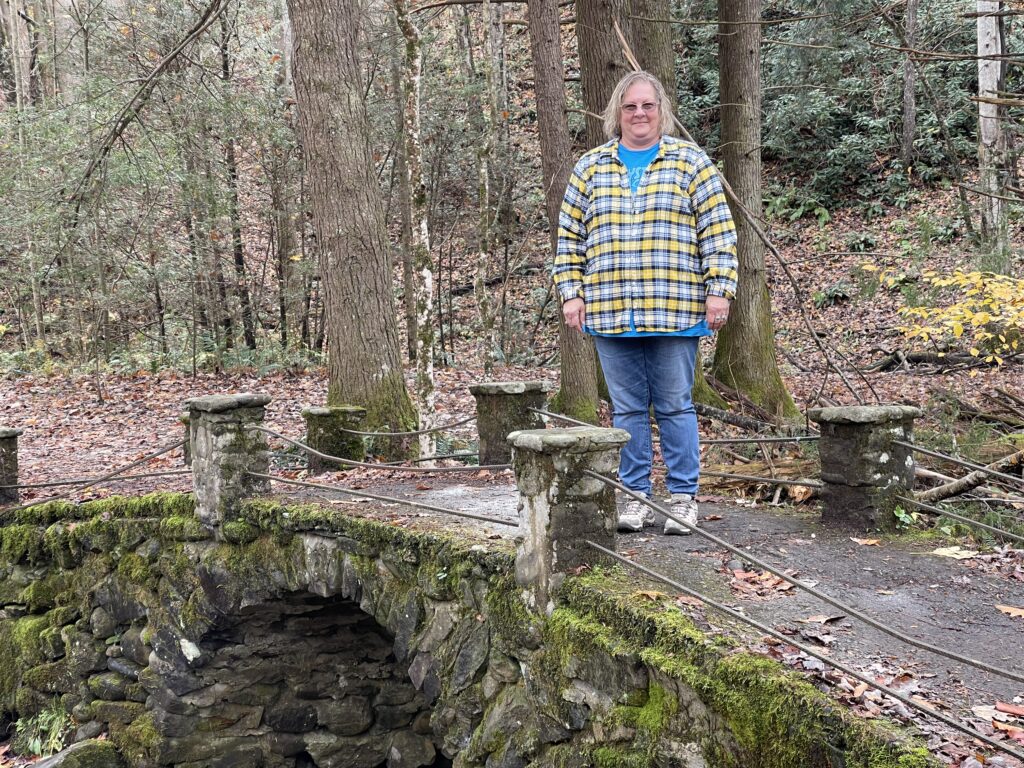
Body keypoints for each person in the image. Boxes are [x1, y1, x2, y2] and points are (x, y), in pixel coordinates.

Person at [553, 71, 738, 535]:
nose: (639, 114)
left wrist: (720, 290)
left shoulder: (691, 163)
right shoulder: (591, 167)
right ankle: (634, 497)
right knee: (627, 410)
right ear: (618, 112)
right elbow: (569, 238)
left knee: (675, 405)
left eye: (647, 106)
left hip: (674, 308)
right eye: (630, 106)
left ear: (662, 111)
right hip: (612, 310)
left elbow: (718, 232)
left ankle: (681, 498)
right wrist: (572, 293)